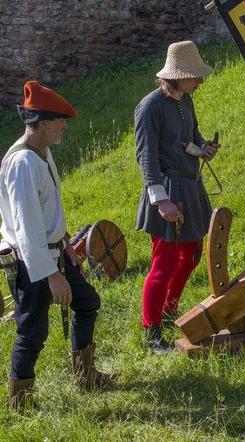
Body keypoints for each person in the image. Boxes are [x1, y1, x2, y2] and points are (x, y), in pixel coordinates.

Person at [1, 81, 115, 412]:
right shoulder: (23, 164)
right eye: (60, 120)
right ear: (43, 122)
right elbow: (27, 229)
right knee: (32, 332)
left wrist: (66, 245)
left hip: (54, 255)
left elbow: (50, 211)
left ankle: (85, 376)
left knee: (87, 302)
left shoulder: (42, 154)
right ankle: (19, 406)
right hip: (32, 262)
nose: (65, 126)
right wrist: (52, 276)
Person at [134, 41, 218, 354]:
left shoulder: (186, 100)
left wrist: (203, 148)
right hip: (168, 191)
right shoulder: (150, 106)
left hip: (191, 187)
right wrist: (161, 199)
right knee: (164, 263)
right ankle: (151, 330)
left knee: (192, 256)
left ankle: (169, 311)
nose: (200, 80)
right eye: (194, 75)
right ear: (177, 75)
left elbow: (191, 138)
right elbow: (145, 157)